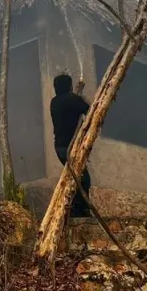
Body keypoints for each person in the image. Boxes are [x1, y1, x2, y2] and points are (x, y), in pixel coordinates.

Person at [50, 73, 91, 218]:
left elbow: (72, 103)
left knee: (76, 176)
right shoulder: (72, 100)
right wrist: (80, 97)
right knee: (83, 179)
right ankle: (79, 211)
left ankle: (75, 209)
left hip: (60, 148)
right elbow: (89, 109)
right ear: (69, 86)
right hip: (70, 148)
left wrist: (76, 95)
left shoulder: (54, 102)